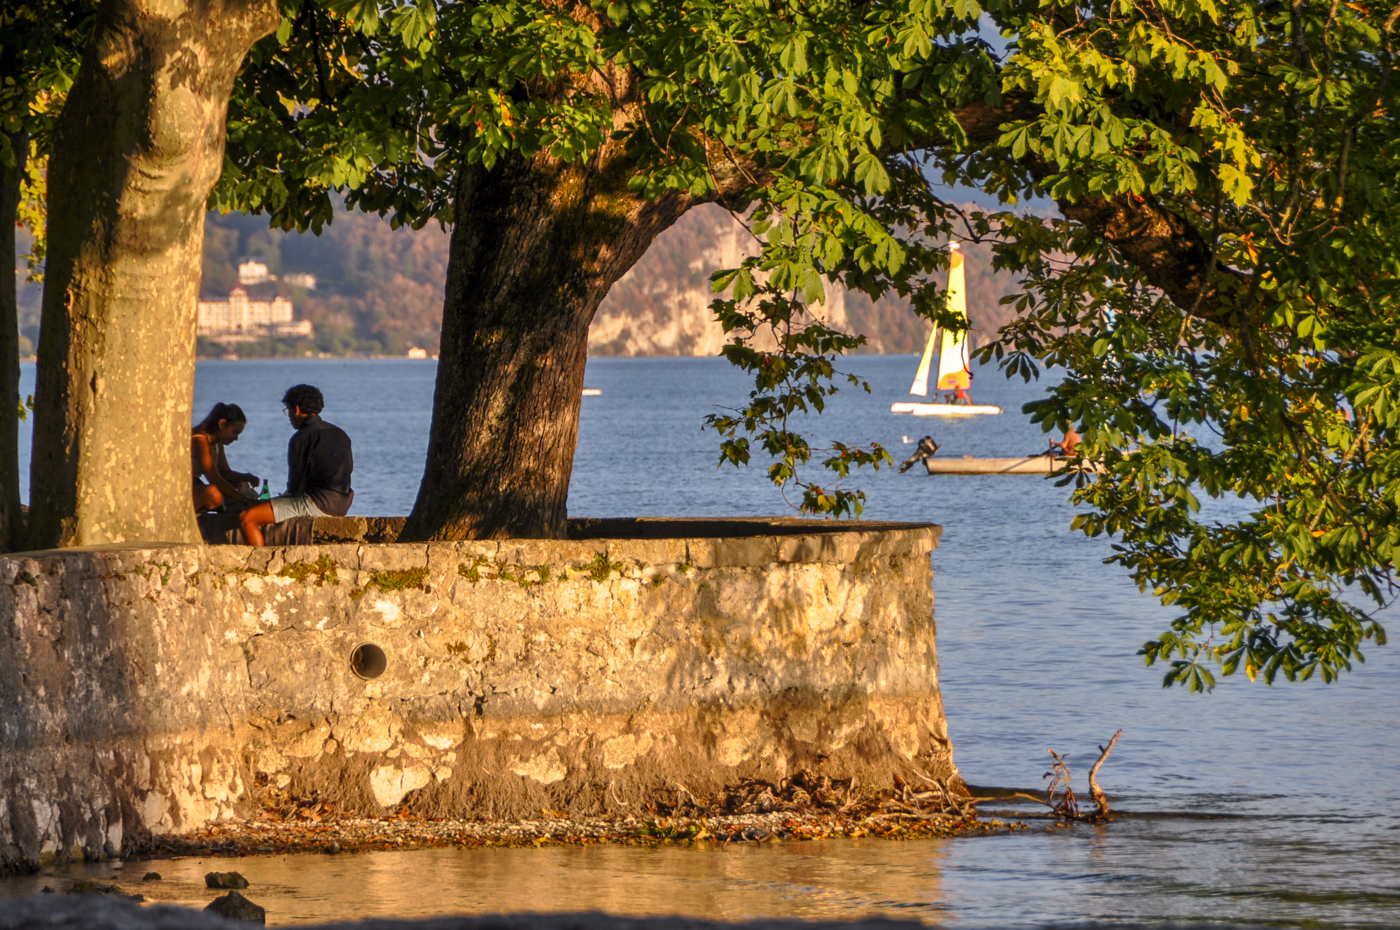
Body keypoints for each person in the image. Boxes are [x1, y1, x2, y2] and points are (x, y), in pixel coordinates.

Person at [239, 384, 354, 546]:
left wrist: (272, 502)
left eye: (289, 411)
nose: (289, 416)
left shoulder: (301, 437)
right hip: (342, 503)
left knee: (248, 518)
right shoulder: (340, 433)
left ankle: (258, 563)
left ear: (298, 410)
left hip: (318, 504)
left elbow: (294, 487)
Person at [192, 403, 259, 514]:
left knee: (242, 485)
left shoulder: (217, 443)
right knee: (213, 493)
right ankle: (229, 507)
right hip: (187, 487)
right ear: (222, 424)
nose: (236, 438)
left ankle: (230, 507)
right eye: (234, 432)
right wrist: (246, 500)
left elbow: (225, 473)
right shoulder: (200, 440)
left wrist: (247, 477)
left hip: (196, 485)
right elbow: (214, 478)